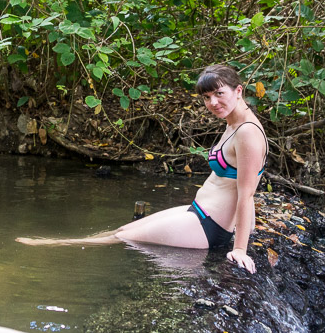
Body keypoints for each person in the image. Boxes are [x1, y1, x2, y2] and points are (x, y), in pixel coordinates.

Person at [16, 65, 269, 274]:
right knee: (124, 230)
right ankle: (60, 242)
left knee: (123, 238)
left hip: (209, 228)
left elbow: (246, 193)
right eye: (206, 97)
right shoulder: (233, 122)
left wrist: (240, 250)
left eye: (219, 94)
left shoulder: (248, 132)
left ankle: (55, 245)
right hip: (199, 212)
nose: (212, 102)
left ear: (238, 91)